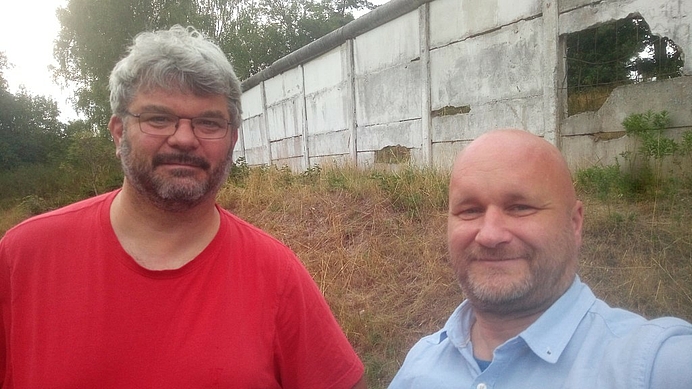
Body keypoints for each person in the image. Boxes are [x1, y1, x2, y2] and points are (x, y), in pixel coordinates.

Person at [0, 25, 366, 389]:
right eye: (158, 118)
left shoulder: (277, 276)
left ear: (232, 138)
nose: (185, 139)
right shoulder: (23, 259)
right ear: (118, 131)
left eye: (209, 122)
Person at [388, 129, 692, 389]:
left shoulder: (652, 364)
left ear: (574, 223)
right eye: (470, 210)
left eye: (520, 207)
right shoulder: (419, 366)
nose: (490, 235)